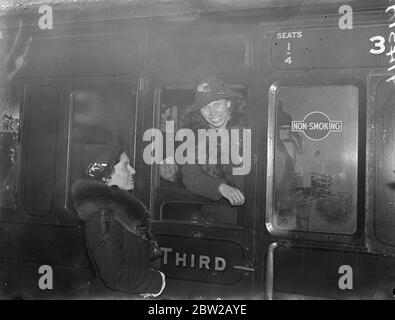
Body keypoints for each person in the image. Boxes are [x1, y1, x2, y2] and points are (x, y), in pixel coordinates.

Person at [71, 136, 165, 298]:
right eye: (125, 166)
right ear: (105, 177)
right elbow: (114, 275)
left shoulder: (118, 211)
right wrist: (157, 281)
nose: (133, 171)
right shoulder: (101, 216)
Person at [181, 76, 248, 207]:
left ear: (228, 103)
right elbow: (191, 177)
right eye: (206, 108)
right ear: (200, 111)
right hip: (222, 216)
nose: (213, 113)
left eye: (217, 104)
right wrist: (221, 187)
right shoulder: (195, 140)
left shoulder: (251, 130)